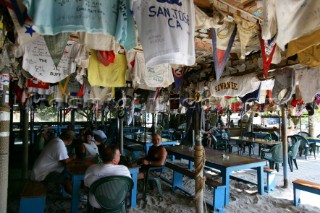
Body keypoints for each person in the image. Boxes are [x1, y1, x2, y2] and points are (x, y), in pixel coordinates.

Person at [84, 145, 131, 209]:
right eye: (119, 155)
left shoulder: (91, 169)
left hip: (97, 202)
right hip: (118, 201)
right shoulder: (124, 170)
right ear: (114, 161)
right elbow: (129, 186)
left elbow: (86, 184)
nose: (120, 155)